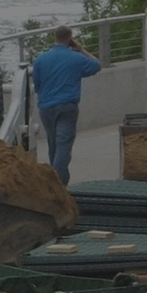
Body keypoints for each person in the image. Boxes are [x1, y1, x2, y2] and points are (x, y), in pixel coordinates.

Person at [29, 26, 102, 184]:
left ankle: (58, 181)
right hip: (67, 105)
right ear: (70, 38)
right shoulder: (76, 58)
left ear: (55, 37)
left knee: (53, 143)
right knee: (64, 145)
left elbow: (37, 84)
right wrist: (81, 49)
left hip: (46, 106)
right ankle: (57, 181)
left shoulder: (41, 60)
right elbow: (96, 65)